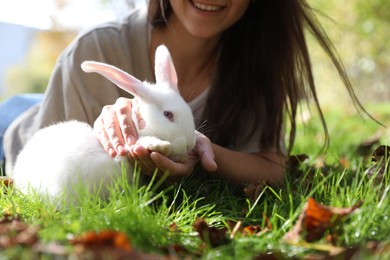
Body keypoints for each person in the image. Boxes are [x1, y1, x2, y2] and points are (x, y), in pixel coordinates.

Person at [0, 0, 368, 184]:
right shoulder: (93, 51)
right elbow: (35, 165)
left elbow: (273, 167)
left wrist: (199, 147)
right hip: (18, 123)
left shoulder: (254, 63)